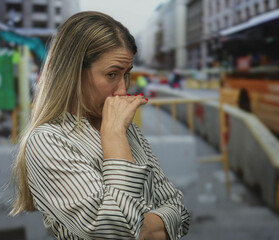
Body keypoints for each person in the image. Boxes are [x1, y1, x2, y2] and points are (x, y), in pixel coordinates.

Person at [10, 11, 190, 240]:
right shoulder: (48, 139)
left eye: (125, 75)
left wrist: (143, 229)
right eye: (111, 74)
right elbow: (118, 230)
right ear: (73, 72)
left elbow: (180, 212)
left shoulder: (128, 130)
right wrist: (114, 136)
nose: (122, 91)